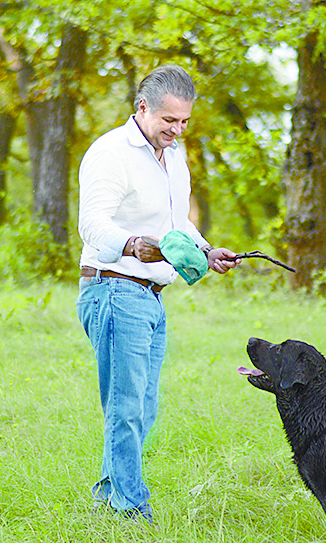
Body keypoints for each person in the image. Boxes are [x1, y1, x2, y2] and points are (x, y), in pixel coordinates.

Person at [76, 64, 238, 524]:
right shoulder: (111, 153)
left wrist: (206, 251)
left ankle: (108, 494)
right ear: (142, 107)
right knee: (126, 407)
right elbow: (92, 223)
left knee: (143, 409)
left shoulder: (175, 156)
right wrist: (132, 245)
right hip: (113, 288)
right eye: (169, 120)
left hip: (150, 297)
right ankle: (130, 507)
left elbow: (175, 225)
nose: (177, 129)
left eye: (185, 121)